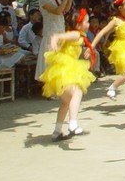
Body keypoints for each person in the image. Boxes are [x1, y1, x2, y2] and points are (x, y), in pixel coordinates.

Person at [39, 9, 96, 140]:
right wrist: (54, 41)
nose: (88, 24)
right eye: (86, 21)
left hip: (63, 69)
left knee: (66, 102)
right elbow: (57, 36)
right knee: (77, 93)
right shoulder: (75, 34)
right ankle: (73, 124)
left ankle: (57, 131)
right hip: (67, 68)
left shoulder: (77, 36)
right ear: (78, 24)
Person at [90, 0, 125, 106]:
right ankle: (112, 87)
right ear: (120, 8)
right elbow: (102, 32)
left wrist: (106, 38)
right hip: (121, 48)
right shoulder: (115, 21)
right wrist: (92, 46)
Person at [36, 0, 76, 79]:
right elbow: (57, 11)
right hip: (51, 32)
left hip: (59, 29)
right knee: (51, 60)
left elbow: (65, 9)